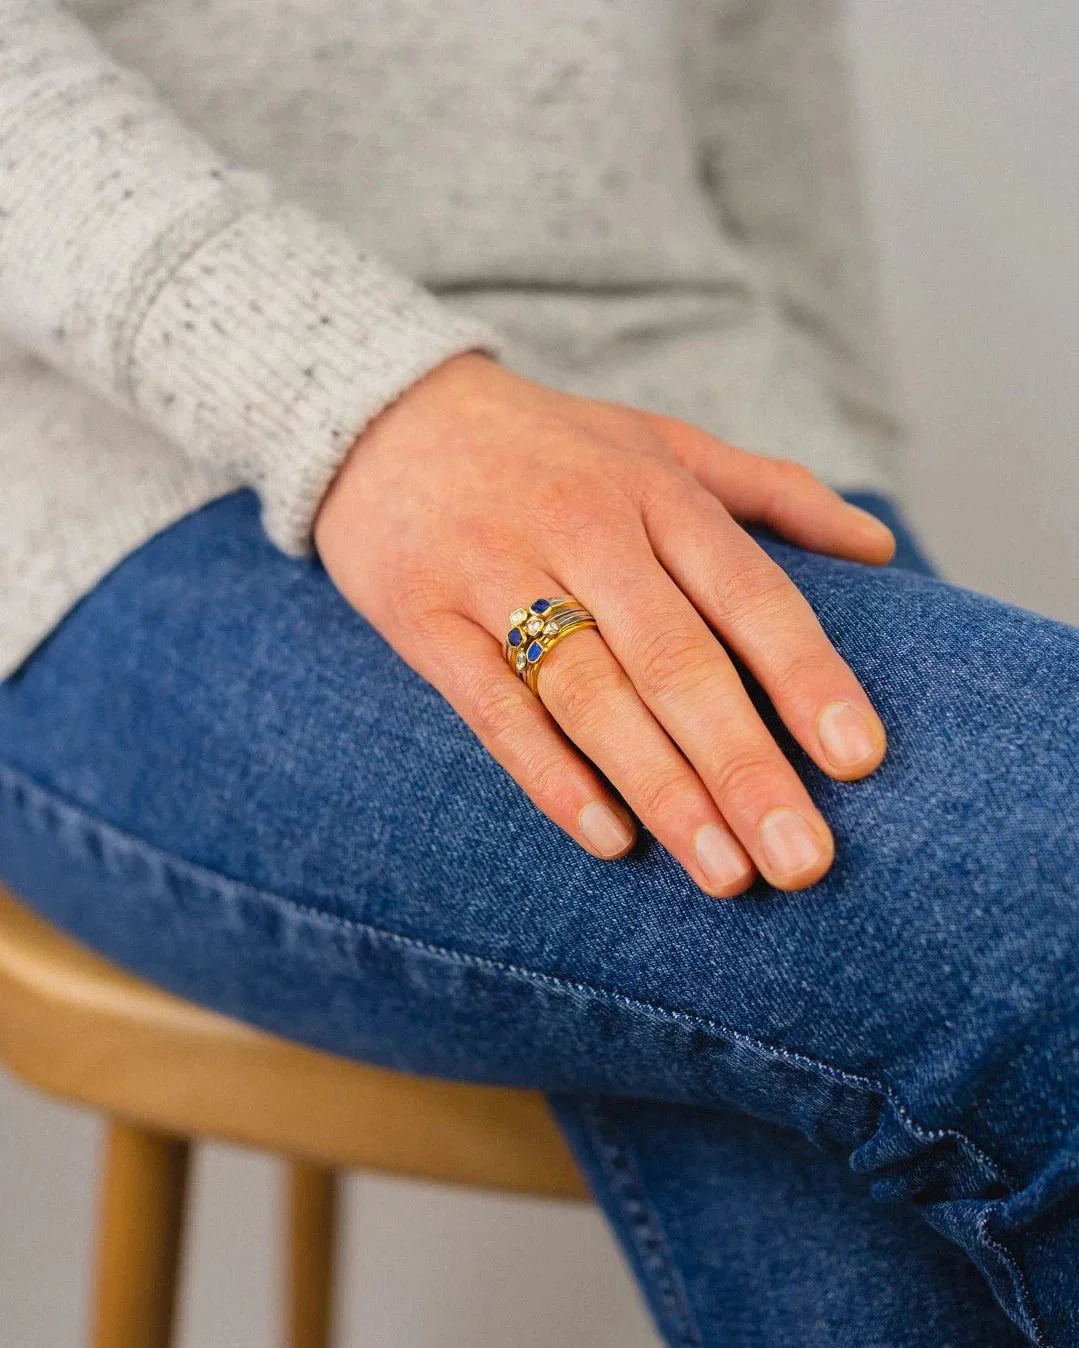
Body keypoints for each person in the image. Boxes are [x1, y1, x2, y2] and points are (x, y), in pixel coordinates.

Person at [0, 2, 1074, 1344]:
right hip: (130, 450)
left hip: (699, 426)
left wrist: (844, 495)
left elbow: (760, 83)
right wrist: (365, 403)